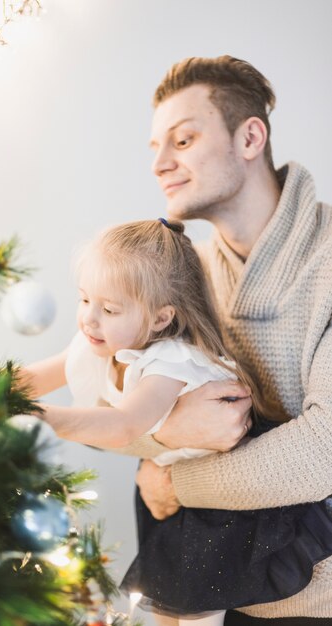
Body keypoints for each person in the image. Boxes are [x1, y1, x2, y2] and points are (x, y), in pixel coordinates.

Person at [19, 219, 332, 626]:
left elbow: (125, 425)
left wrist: (46, 419)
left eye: (109, 309)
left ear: (161, 319)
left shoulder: (169, 363)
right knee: (167, 608)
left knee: (195, 612)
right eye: (84, 300)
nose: (89, 320)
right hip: (175, 492)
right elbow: (37, 376)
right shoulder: (100, 340)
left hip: (227, 505)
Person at [128, 55, 332, 624]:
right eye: (154, 149)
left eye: (184, 140)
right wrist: (168, 429)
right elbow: (125, 394)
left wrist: (176, 481)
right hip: (232, 598)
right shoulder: (183, 276)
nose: (161, 164)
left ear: (250, 137)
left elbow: (324, 451)